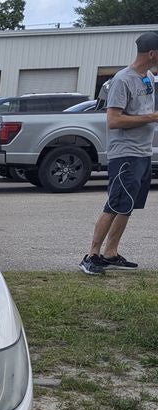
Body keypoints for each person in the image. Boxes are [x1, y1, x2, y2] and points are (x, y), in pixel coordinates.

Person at [80, 31, 158, 275]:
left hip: (143, 152)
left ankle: (110, 253)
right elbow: (113, 120)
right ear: (152, 53)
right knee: (114, 204)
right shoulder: (122, 80)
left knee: (128, 205)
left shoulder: (147, 77)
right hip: (125, 154)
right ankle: (91, 255)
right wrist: (153, 117)